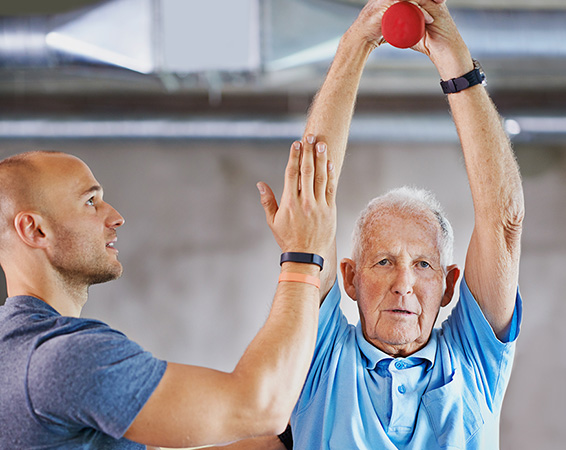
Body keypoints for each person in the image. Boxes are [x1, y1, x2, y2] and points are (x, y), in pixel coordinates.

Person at [217, 0, 525, 448]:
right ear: (350, 278)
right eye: (382, 262)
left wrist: (455, 60)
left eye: (423, 265)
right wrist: (357, 42)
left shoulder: (473, 360)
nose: (403, 283)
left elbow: (504, 220)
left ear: (449, 284)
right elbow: (312, 196)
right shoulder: (320, 356)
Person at [0, 136, 336, 448]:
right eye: (90, 202)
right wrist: (302, 254)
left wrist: (285, 440)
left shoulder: (15, 350)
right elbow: (263, 407)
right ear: (35, 229)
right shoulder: (64, 358)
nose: (116, 217)